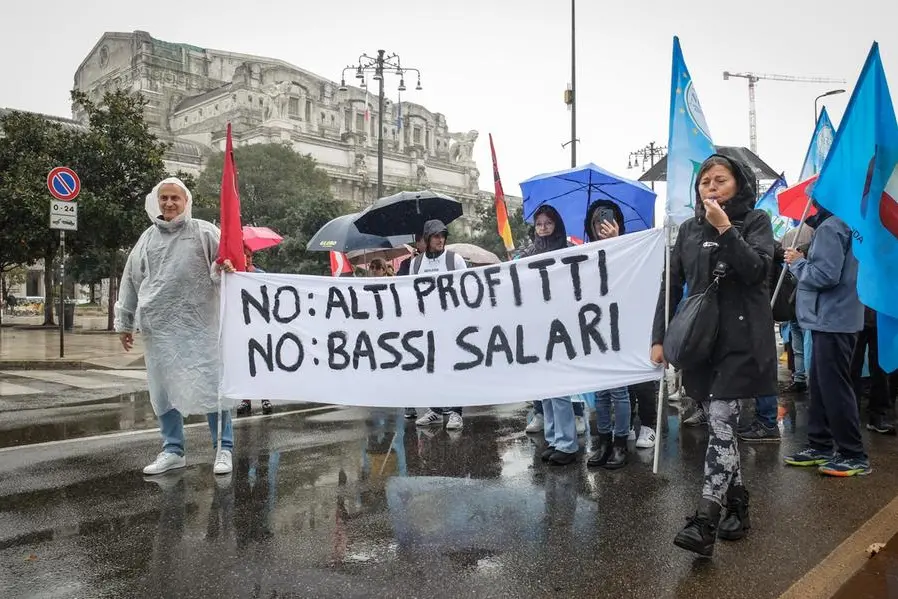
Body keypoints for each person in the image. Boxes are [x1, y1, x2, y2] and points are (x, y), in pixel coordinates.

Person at [652, 155, 778, 557]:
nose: (710, 187)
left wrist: (725, 228)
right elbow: (670, 286)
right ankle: (738, 504)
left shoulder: (756, 221)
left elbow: (757, 270)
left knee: (723, 419)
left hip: (743, 341)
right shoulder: (688, 230)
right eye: (704, 181)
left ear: (738, 185)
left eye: (719, 180)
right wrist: (660, 338)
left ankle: (705, 519)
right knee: (718, 424)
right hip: (701, 344)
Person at [116, 177, 237, 476]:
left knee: (212, 385)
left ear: (186, 202)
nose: (169, 203)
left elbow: (228, 267)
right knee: (163, 389)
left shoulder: (205, 232)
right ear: (157, 202)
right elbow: (131, 280)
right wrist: (125, 321)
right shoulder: (147, 239)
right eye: (164, 198)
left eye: (175, 198)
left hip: (201, 326)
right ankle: (173, 450)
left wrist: (227, 267)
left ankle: (223, 448)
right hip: (159, 330)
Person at [784, 202, 870, 476]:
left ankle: (852, 453)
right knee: (822, 385)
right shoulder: (850, 223)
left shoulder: (832, 226)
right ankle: (819, 444)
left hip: (832, 318)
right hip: (837, 318)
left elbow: (824, 276)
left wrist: (797, 263)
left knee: (833, 386)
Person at [522, 206, 580, 466]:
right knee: (544, 385)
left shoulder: (566, 251)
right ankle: (555, 439)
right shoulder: (529, 253)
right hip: (537, 323)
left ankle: (568, 443)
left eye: (548, 223)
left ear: (557, 225)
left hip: (560, 324)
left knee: (559, 387)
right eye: (539, 224)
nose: (543, 227)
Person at [583, 200, 632, 469]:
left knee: (619, 390)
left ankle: (620, 443)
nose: (601, 225)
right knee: (601, 391)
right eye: (596, 221)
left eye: (607, 219)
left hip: (619, 326)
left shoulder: (627, 248)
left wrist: (615, 243)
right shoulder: (585, 252)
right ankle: (604, 441)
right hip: (594, 327)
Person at [411, 220, 468, 430]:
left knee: (454, 367)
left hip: (453, 324)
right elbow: (411, 293)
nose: (440, 239)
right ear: (427, 238)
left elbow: (468, 288)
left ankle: (456, 412)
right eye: (435, 236)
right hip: (428, 325)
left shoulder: (455, 259)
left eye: (443, 235)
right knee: (432, 367)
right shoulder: (416, 264)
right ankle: (434, 410)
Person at [237, 245, 274, 417]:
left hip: (258, 325)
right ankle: (246, 399)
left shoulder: (260, 275)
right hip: (241, 327)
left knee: (261, 362)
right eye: (244, 255)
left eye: (250, 255)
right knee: (245, 364)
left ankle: (265, 397)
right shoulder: (233, 276)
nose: (248, 258)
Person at [851, 307, 895, 435]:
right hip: (854, 315)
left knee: (881, 369)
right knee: (852, 368)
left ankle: (878, 415)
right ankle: (850, 415)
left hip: (881, 315)